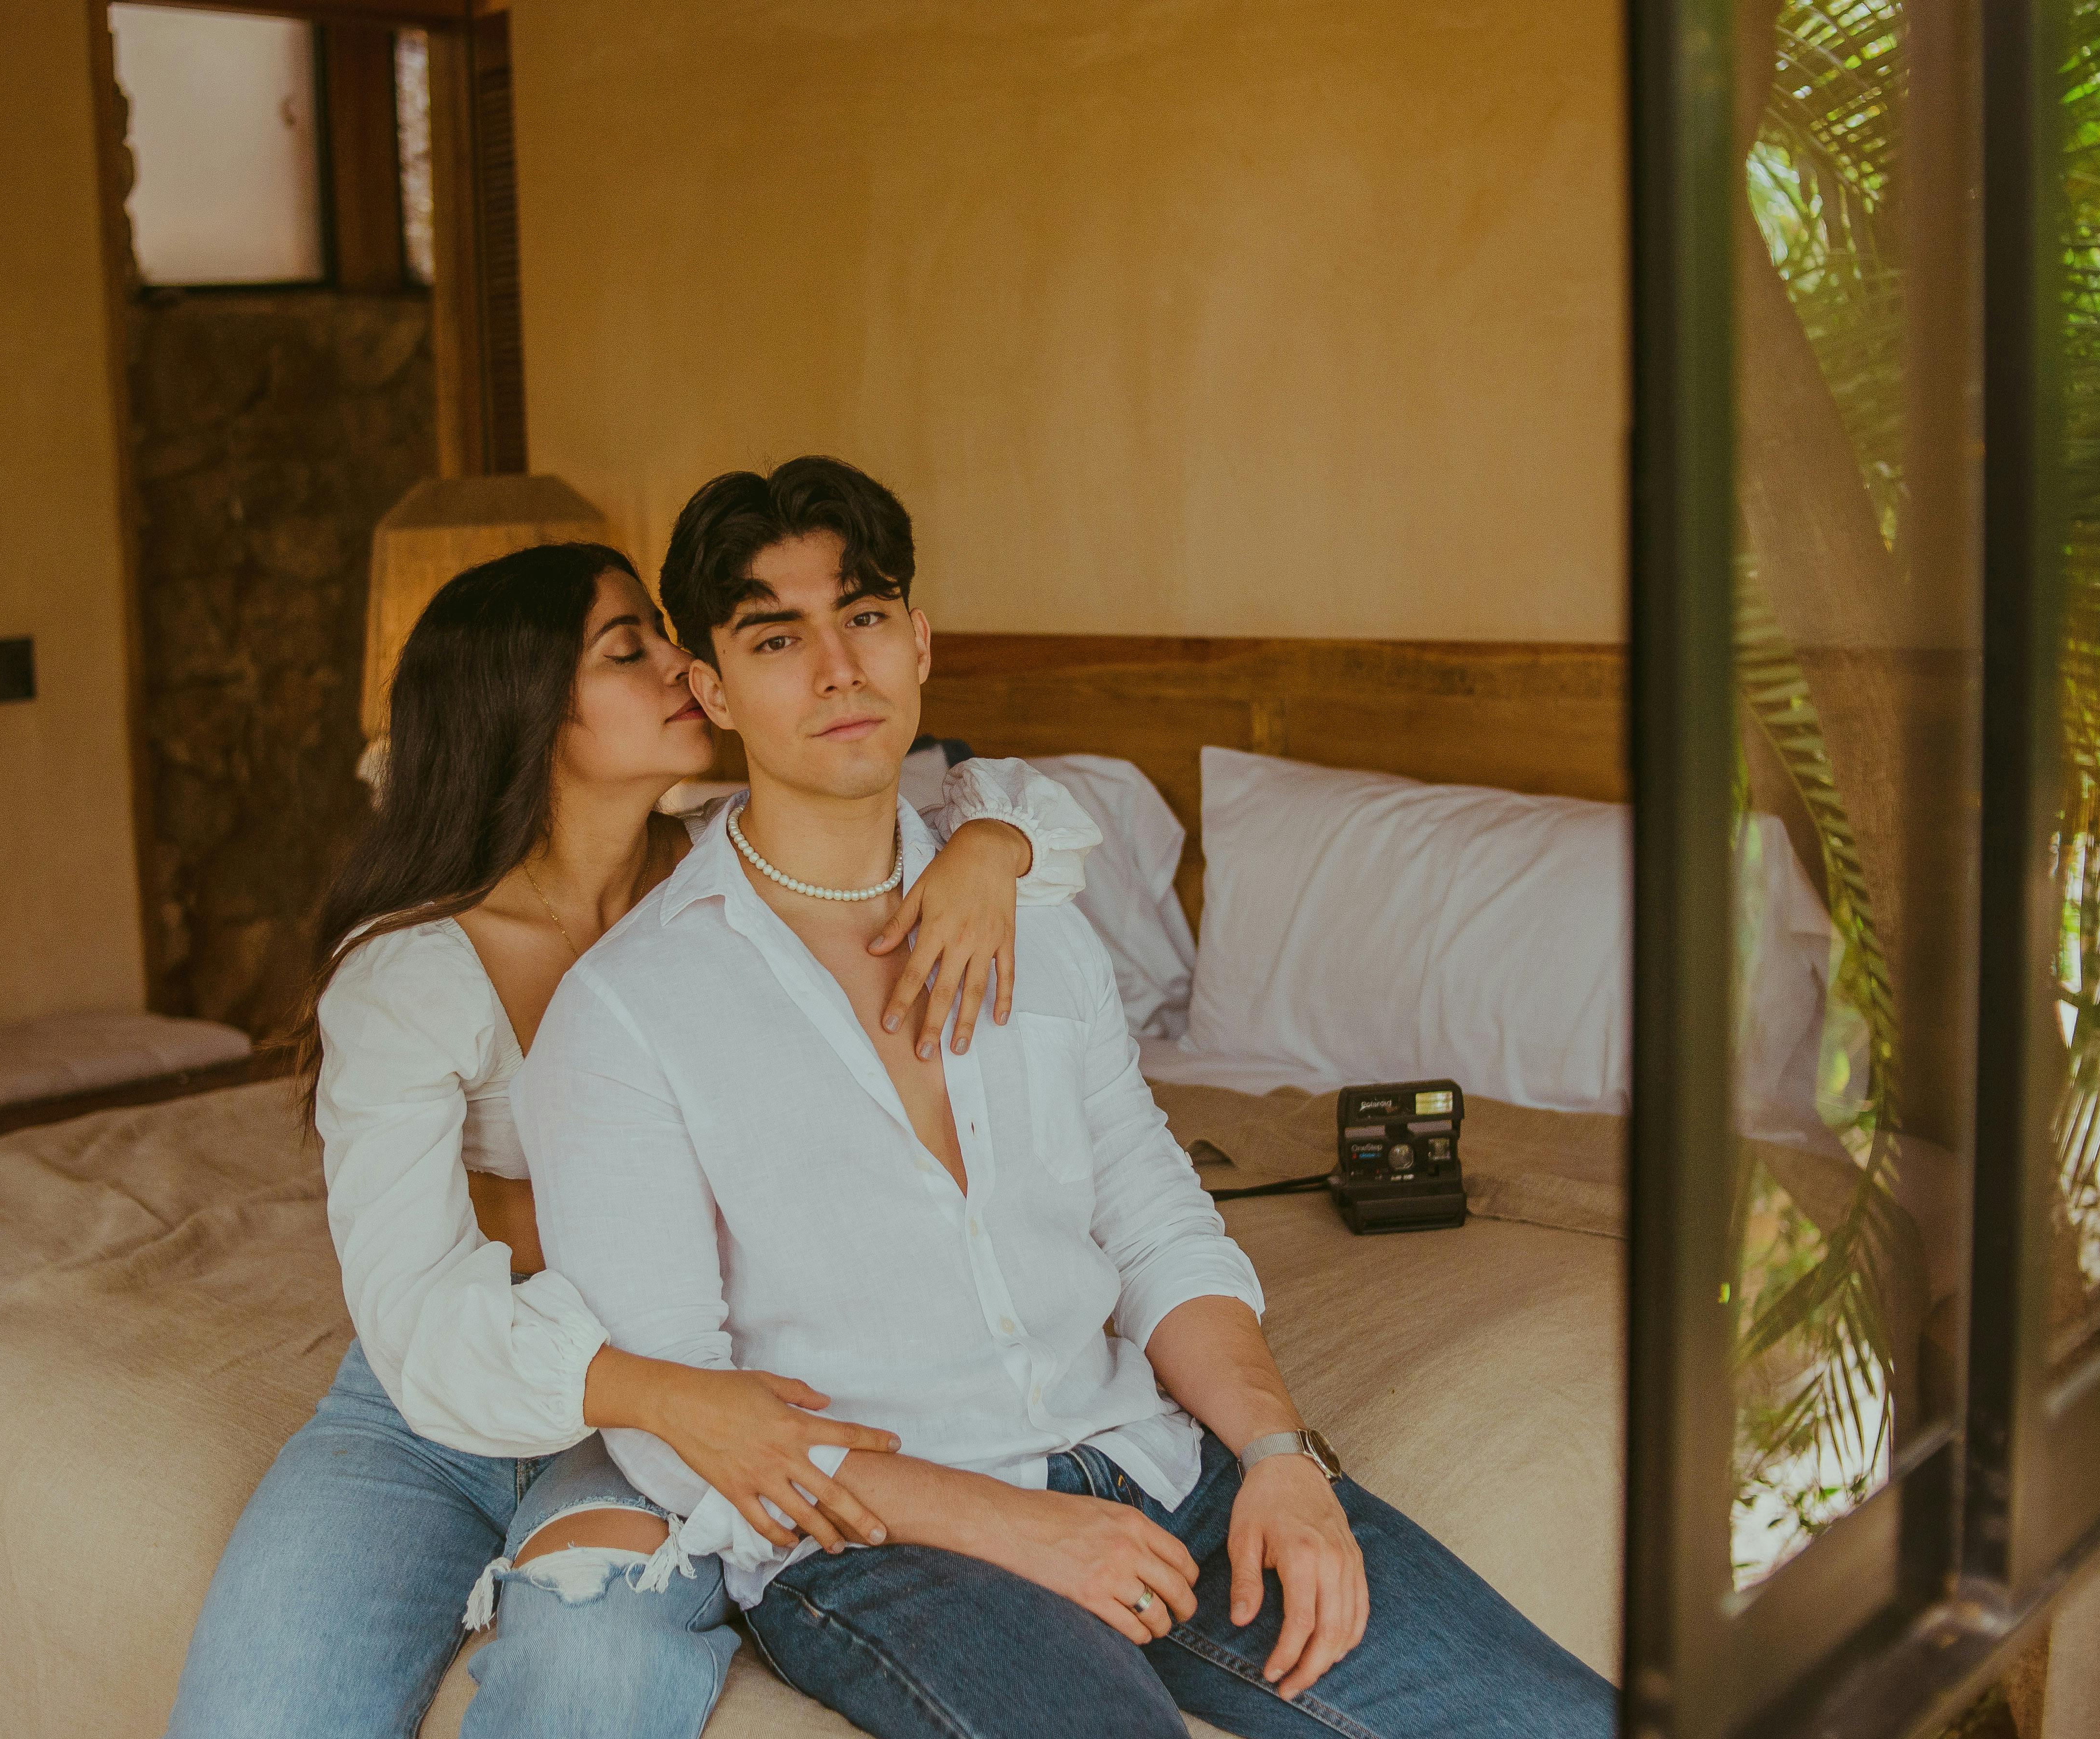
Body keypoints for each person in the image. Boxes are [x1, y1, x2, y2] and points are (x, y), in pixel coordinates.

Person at [517, 457, 1619, 1739]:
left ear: (918, 641)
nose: (836, 668)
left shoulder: (1040, 929)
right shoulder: (628, 1008)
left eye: (864, 616)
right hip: (878, 1536)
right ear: (709, 686)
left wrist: (1278, 1455)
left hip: (1158, 1466)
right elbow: (674, 1419)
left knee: (1559, 1722)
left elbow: (1153, 1223)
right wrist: (1026, 1530)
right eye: (776, 636)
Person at [162, 538, 1104, 1739]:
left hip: (667, 1409)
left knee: (597, 1661)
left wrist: (990, 852)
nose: (684, 663)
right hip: (443, 1412)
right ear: (530, 705)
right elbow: (415, 1317)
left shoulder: (737, 868)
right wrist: (670, 1396)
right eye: (632, 648)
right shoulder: (408, 972)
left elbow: (1011, 801)